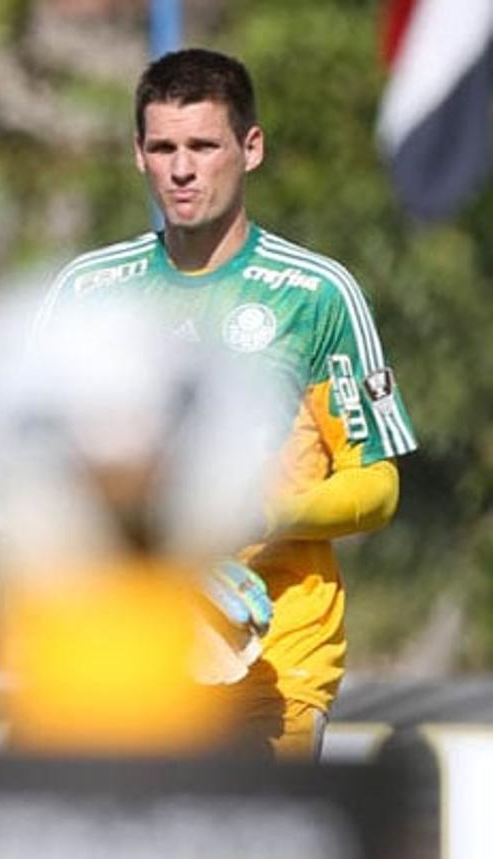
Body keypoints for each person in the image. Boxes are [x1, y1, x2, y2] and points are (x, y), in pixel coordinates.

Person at [37, 48, 417, 759]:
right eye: (163, 147)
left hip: (273, 669)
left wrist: (268, 513)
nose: (182, 169)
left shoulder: (315, 294)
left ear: (251, 147)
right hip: (121, 665)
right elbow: (30, 474)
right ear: (138, 155)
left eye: (204, 145)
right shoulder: (88, 295)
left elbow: (380, 484)